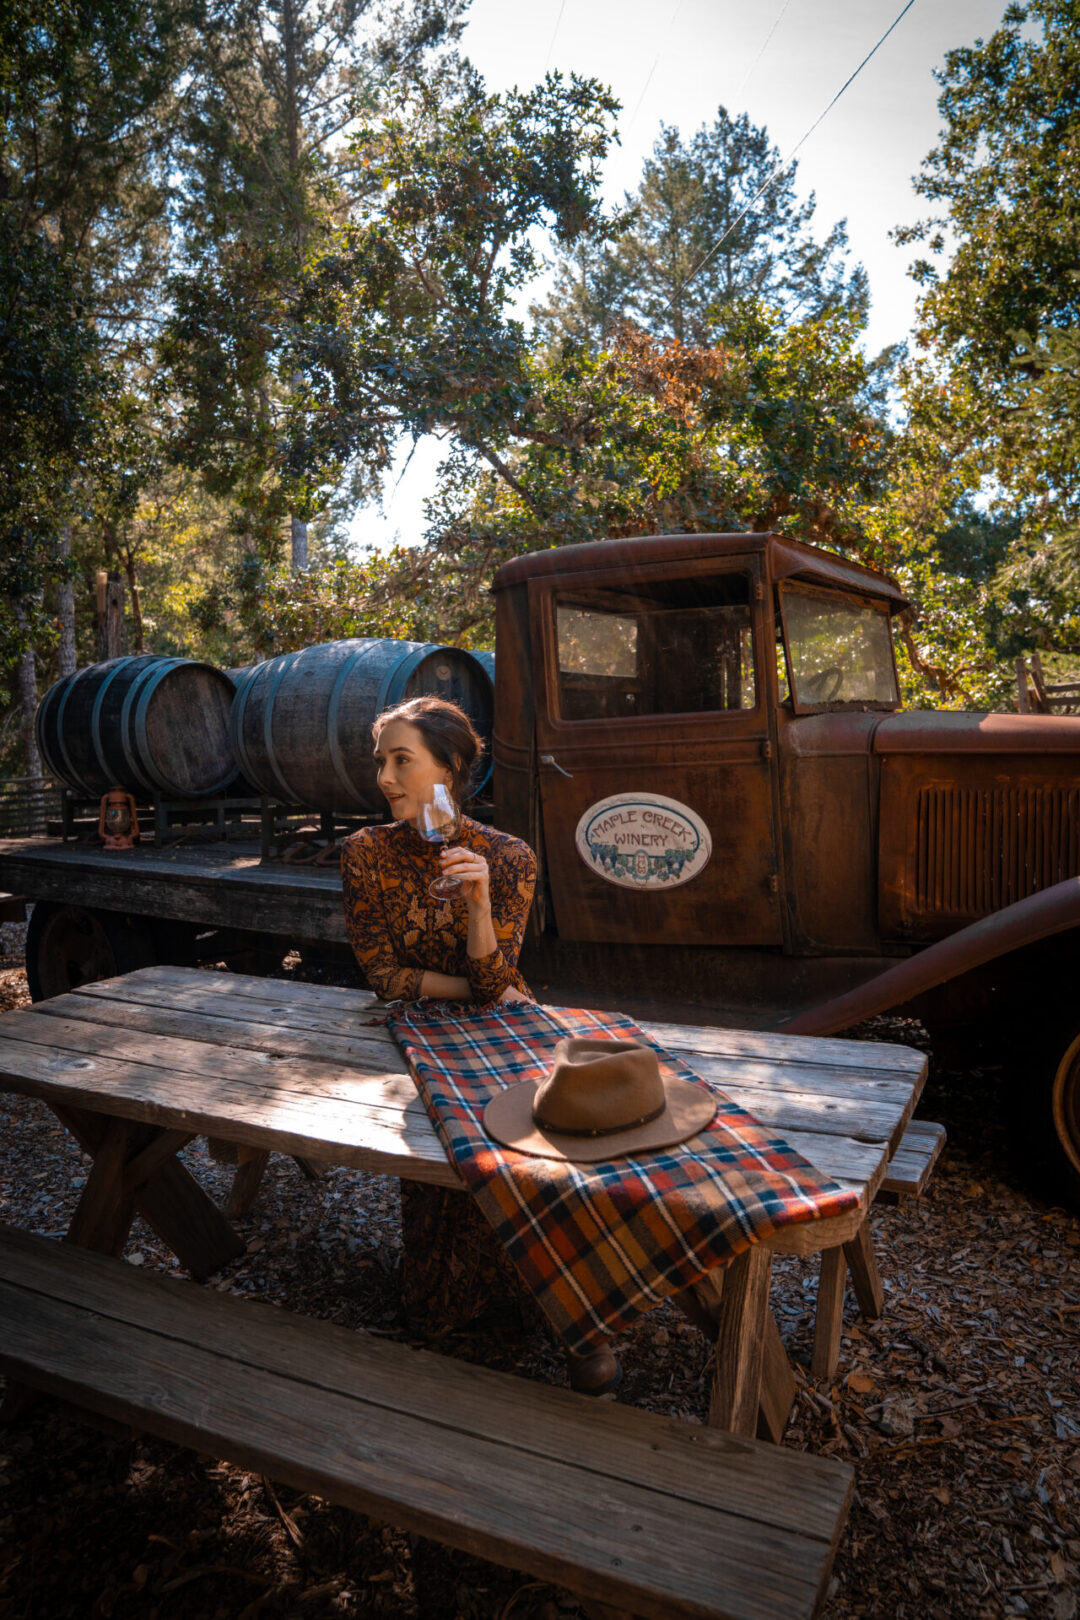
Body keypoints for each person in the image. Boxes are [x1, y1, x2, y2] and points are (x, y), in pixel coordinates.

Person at [340, 695, 536, 1006]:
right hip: (410, 1023)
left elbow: (494, 980)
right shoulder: (364, 852)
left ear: (451, 767)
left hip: (500, 1024)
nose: (384, 778)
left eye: (401, 759)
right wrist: (479, 990)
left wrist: (479, 906)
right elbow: (384, 978)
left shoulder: (510, 856)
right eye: (381, 762)